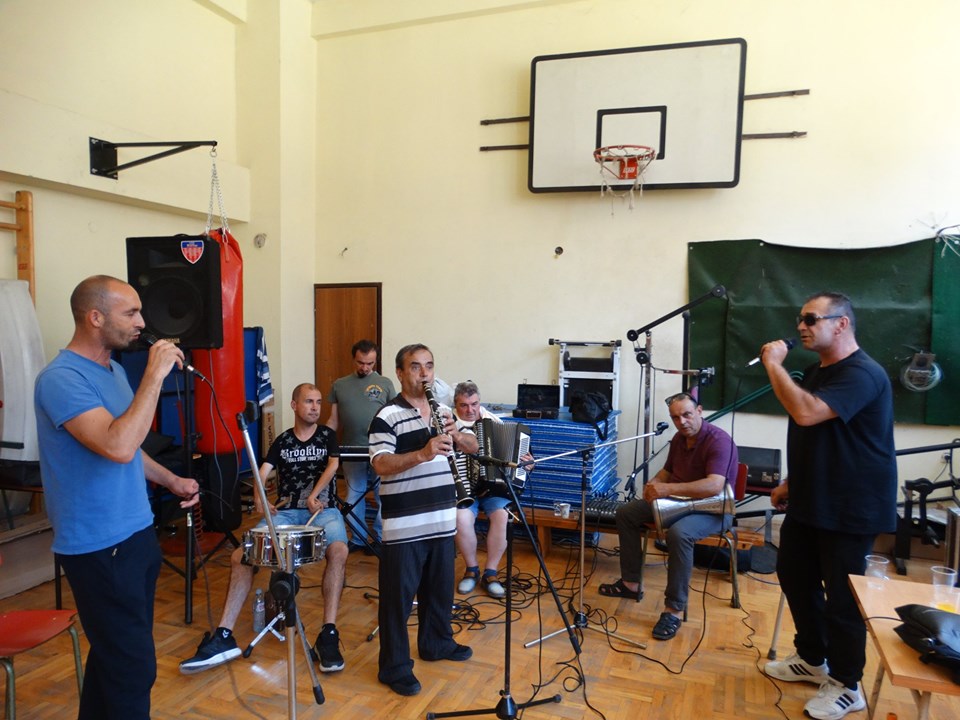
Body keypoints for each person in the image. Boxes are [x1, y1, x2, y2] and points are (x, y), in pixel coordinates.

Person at [34, 275, 200, 720]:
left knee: (113, 657)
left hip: (136, 534)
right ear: (95, 317)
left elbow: (130, 446)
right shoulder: (61, 379)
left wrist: (169, 479)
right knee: (132, 668)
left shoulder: (114, 372)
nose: (142, 322)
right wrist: (154, 375)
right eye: (131, 313)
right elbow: (117, 444)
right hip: (97, 545)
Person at [760, 292, 896, 720]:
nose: (801, 326)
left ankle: (847, 685)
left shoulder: (863, 373)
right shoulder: (820, 371)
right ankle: (811, 659)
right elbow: (819, 437)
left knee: (842, 600)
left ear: (841, 324)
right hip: (811, 499)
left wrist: (773, 365)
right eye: (800, 319)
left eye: (811, 319)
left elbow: (807, 414)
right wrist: (791, 481)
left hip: (851, 507)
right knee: (794, 576)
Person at [179, 383, 350, 675]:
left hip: (324, 510)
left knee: (339, 551)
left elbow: (333, 466)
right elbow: (263, 471)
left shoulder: (327, 436)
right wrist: (259, 496)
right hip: (285, 512)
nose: (315, 407)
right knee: (239, 556)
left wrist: (314, 495)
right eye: (308, 401)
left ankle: (328, 634)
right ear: (294, 405)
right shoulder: (282, 441)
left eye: (318, 402)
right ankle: (224, 635)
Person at [369, 344, 478, 696]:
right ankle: (394, 667)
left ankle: (436, 643)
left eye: (429, 366)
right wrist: (422, 453)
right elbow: (380, 463)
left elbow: (473, 446)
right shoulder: (386, 415)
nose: (424, 373)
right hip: (405, 526)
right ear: (400, 373)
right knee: (397, 601)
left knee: (439, 592)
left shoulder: (443, 410)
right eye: (415, 367)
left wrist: (455, 434)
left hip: (442, 520)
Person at [599, 392, 738, 642]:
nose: (681, 422)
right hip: (677, 501)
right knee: (626, 513)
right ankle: (631, 584)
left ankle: (673, 609)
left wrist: (667, 489)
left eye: (687, 414)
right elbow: (667, 471)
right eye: (675, 417)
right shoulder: (678, 439)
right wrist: (655, 484)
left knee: (679, 534)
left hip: (714, 509)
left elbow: (714, 486)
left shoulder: (719, 440)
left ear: (699, 411)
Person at [452, 381, 522, 599]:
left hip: (492, 490)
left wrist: (526, 462)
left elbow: (517, 456)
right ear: (455, 404)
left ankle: (491, 573)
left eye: (474, 404)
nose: (470, 410)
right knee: (460, 518)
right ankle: (471, 569)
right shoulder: (448, 424)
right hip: (463, 490)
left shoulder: (493, 422)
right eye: (464, 405)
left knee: (502, 515)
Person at [327, 340, 396, 552]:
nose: (365, 367)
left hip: (381, 449)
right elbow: (333, 420)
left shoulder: (385, 383)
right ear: (353, 359)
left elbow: (394, 417)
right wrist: (324, 441)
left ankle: (380, 538)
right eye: (360, 362)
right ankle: (358, 538)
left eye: (370, 363)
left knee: (382, 494)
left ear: (376, 362)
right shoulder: (339, 385)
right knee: (354, 493)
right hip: (351, 448)